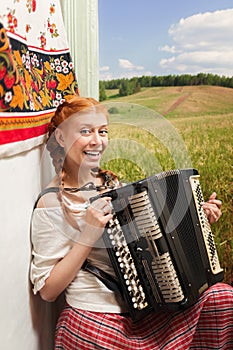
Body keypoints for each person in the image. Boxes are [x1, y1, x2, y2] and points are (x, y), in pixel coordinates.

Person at [30, 95, 233, 350]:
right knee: (92, 334)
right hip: (95, 316)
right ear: (61, 137)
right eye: (85, 131)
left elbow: (153, 236)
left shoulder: (115, 186)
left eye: (102, 131)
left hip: (144, 312)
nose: (97, 140)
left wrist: (196, 219)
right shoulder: (52, 204)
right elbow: (48, 291)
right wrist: (89, 234)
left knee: (221, 297)